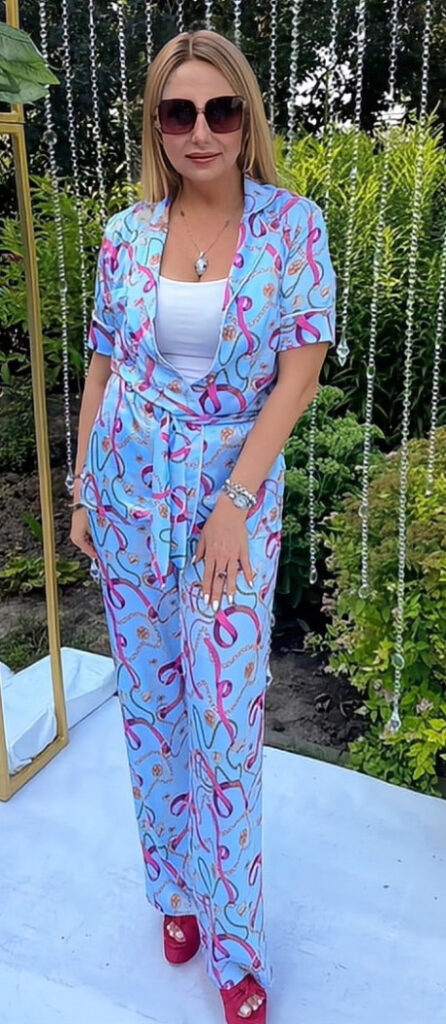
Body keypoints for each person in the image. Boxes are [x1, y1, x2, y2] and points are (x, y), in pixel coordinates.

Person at [70, 28, 336, 1024]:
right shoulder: (125, 234)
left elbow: (298, 375)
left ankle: (235, 943)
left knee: (223, 727)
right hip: (128, 498)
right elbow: (102, 366)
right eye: (177, 112)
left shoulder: (291, 226)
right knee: (150, 710)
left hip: (231, 508)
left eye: (219, 109)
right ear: (155, 123)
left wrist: (234, 504)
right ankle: (173, 890)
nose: (200, 130)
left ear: (245, 119)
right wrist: (84, 490)